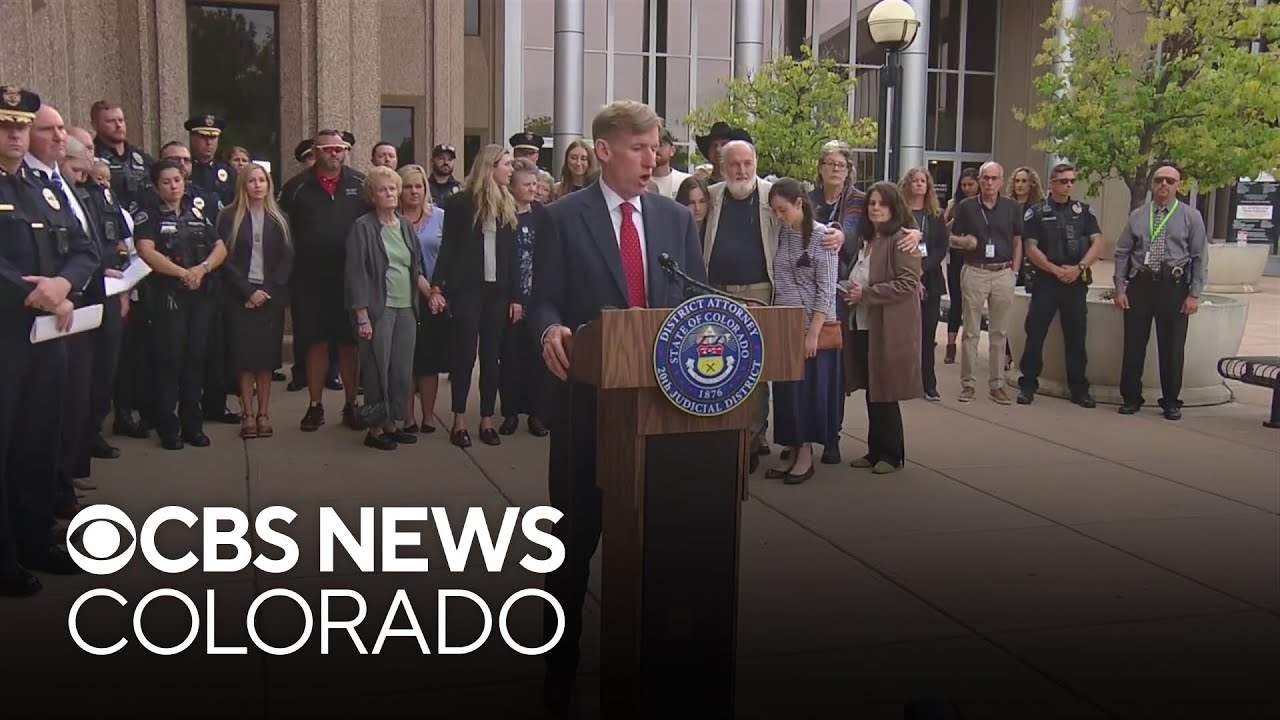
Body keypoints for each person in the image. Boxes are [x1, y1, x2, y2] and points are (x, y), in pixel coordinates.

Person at [530, 99, 705, 712]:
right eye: (639, 147)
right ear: (604, 150)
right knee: (571, 550)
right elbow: (545, 300)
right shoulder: (559, 218)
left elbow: (696, 305)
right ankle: (560, 669)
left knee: (658, 550)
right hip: (587, 412)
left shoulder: (675, 220)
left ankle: (654, 663)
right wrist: (550, 331)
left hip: (663, 412)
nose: (652, 158)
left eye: (656, 148)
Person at [1, 84, 99, 595]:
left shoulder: (40, 186)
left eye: (21, 124)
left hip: (46, 339)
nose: (15, 133)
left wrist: (64, 285)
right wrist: (45, 296)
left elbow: (82, 246)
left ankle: (35, 539)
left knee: (40, 442)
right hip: (6, 339)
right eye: (6, 124)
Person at [279, 129, 370, 432]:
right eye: (328, 149)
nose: (334, 154)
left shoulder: (361, 184)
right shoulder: (294, 189)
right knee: (316, 344)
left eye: (339, 149)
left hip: (349, 279)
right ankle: (315, 405)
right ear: (315, 152)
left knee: (348, 345)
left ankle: (350, 404)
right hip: (309, 281)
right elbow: (281, 232)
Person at [134, 158, 228, 449]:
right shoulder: (148, 215)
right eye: (166, 182)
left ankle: (193, 425)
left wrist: (202, 270)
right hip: (168, 295)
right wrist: (182, 273)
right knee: (168, 361)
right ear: (155, 186)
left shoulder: (196, 212)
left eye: (177, 180)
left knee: (194, 359)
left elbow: (220, 246)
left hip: (199, 295)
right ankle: (168, 427)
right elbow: (146, 251)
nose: (174, 186)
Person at [432, 144, 520, 448]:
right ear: (490, 166)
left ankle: (485, 419)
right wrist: (437, 285)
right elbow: (448, 249)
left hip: (499, 292)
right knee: (464, 354)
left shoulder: (508, 203)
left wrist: (516, 296)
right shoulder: (460, 204)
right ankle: (458, 419)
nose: (511, 170)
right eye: (506, 164)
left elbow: (513, 256)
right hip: (467, 288)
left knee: (492, 356)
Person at [346, 166, 431, 450]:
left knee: (401, 370)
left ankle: (393, 422)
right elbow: (356, 273)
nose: (390, 194)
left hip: (407, 306)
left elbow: (415, 267)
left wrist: (431, 293)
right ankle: (375, 429)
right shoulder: (363, 227)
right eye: (383, 189)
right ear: (373, 194)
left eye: (393, 188)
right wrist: (361, 317)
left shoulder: (405, 225)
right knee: (376, 369)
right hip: (377, 309)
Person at [1114, 164, 1207, 421]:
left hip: (1173, 288)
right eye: (1159, 180)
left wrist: (1194, 294)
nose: (1163, 184)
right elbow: (1122, 253)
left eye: (1169, 180)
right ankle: (1131, 398)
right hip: (1141, 285)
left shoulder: (1191, 217)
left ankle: (1171, 401)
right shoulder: (1138, 215)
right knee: (1134, 345)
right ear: (1152, 184)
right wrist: (1120, 288)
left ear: (1179, 185)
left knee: (1172, 347)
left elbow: (1199, 257)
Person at [843, 182, 923, 474]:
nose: (875, 208)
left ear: (894, 207)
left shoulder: (901, 240)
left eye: (882, 203)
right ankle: (874, 449)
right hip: (862, 324)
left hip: (889, 326)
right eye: (872, 203)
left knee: (886, 391)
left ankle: (892, 455)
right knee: (872, 389)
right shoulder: (867, 239)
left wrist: (866, 294)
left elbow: (908, 284)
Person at [764, 178, 839, 484]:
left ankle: (806, 453)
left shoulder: (822, 237)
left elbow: (827, 289)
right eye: (775, 211)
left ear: (799, 204)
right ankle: (793, 447)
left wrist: (813, 332)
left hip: (810, 325)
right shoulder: (783, 234)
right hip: (783, 323)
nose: (779, 216)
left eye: (783, 209)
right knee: (785, 392)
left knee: (806, 392)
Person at [217, 162, 293, 439]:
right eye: (252, 181)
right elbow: (223, 258)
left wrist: (266, 291)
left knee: (265, 359)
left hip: (269, 298)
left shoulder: (279, 218)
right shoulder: (228, 217)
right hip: (240, 297)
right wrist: (248, 292)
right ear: (243, 186)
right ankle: (247, 413)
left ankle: (264, 412)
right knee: (244, 359)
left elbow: (287, 259)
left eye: (262, 180)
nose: (258, 185)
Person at [1017, 163, 1102, 408]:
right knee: (1035, 333)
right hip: (1047, 279)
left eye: (1072, 181)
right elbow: (1030, 248)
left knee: (1076, 336)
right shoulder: (1036, 212)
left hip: (1075, 280)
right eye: (1064, 181)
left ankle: (1079, 389)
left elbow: (1098, 243)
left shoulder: (1084, 211)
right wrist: (1055, 270)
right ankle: (1028, 385)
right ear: (1052, 183)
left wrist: (1079, 269)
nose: (1069, 185)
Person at [948, 161, 1023, 405]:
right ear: (980, 181)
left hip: (1003, 271)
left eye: (994, 178)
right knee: (970, 331)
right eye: (985, 178)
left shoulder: (1011, 206)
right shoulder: (966, 207)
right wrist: (964, 242)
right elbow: (950, 237)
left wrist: (1015, 271)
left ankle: (997, 384)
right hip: (975, 269)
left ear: (1001, 181)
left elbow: (1017, 240)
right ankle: (968, 384)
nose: (989, 183)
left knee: (999, 332)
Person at [498, 159, 550, 437]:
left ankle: (537, 415)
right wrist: (512, 297)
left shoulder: (543, 215)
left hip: (538, 298)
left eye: (535, 184)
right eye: (527, 185)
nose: (533, 189)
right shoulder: (502, 215)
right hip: (510, 298)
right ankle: (509, 413)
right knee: (510, 359)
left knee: (538, 358)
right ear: (512, 186)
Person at [398, 164, 447, 434]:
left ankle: (428, 417)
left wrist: (438, 291)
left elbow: (449, 256)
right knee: (406, 361)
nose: (414, 191)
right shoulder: (392, 218)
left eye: (419, 186)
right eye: (408, 186)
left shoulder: (440, 217)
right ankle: (408, 418)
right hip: (401, 297)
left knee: (429, 361)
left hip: (435, 299)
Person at [900, 167, 948, 401]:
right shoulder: (899, 214)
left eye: (923, 181)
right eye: (915, 181)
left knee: (927, 334)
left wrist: (923, 268)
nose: (919, 185)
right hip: (904, 277)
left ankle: (929, 383)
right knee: (905, 335)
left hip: (930, 278)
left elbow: (941, 247)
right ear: (907, 184)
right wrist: (912, 273)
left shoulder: (936, 215)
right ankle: (905, 381)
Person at [942, 168, 979, 364]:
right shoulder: (954, 204)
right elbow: (943, 229)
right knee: (956, 300)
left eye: (970, 184)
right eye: (963, 185)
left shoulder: (984, 206)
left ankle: (970, 347)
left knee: (972, 304)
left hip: (976, 258)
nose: (966, 188)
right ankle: (950, 345)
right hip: (956, 257)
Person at [185, 114, 236, 209]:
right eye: (203, 137)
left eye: (213, 138)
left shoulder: (228, 171)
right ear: (192, 138)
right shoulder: (185, 168)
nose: (209, 142)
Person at [647, 127, 689, 198]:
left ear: (672, 150)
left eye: (661, 145)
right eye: (653, 146)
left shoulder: (685, 181)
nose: (656, 150)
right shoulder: (640, 182)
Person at [675, 175, 709, 246]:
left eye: (702, 201)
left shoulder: (712, 232)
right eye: (692, 203)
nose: (697, 208)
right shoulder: (675, 232)